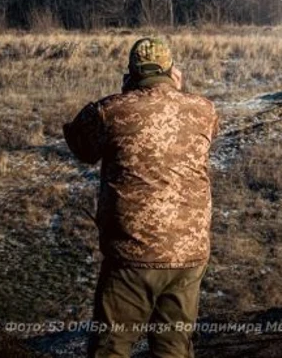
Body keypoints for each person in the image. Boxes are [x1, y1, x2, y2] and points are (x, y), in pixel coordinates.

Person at [63, 37, 219, 358]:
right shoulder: (204, 109)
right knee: (173, 349)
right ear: (171, 70)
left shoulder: (111, 111)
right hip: (189, 255)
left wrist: (124, 96)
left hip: (132, 256)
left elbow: (80, 145)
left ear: (132, 73)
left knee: (112, 347)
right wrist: (177, 93)